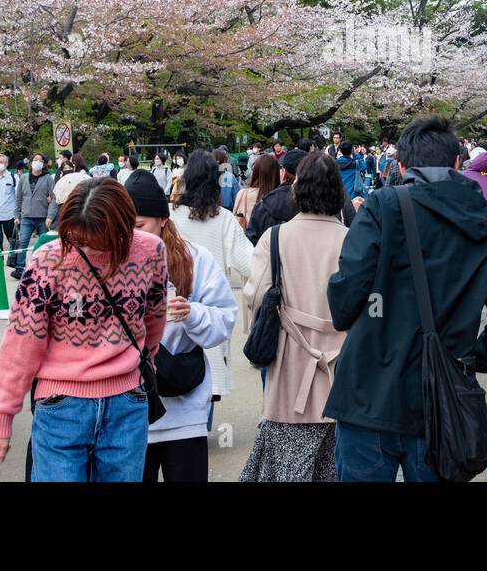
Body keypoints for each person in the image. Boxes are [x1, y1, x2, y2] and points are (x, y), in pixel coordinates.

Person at [324, 117, 487, 482]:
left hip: (368, 389)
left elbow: (346, 295)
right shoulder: (482, 222)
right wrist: (474, 359)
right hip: (442, 399)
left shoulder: (382, 207)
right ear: (457, 163)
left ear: (402, 166)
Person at [0, 178, 168, 482]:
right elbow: (21, 342)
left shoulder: (150, 251)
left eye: (98, 236)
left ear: (123, 223)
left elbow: (154, 317)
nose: (88, 244)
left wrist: (144, 360)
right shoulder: (48, 258)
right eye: (79, 235)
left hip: (127, 404)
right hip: (62, 405)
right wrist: (2, 418)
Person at [241, 151, 349, 481]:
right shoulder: (353, 240)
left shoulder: (276, 239)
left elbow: (255, 298)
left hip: (291, 368)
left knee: (288, 468)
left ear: (297, 189)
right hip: (343, 374)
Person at [127, 172, 236, 482]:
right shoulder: (112, 262)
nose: (132, 235)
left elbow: (225, 317)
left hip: (184, 407)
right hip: (131, 411)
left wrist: (192, 314)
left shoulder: (194, 259)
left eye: (139, 226)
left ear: (163, 219)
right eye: (125, 227)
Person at [169, 150, 254, 407]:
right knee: (209, 371)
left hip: (174, 306)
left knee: (174, 366)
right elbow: (248, 263)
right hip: (211, 305)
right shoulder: (224, 219)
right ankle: (201, 426)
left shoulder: (169, 217)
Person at [13, 153, 55, 279]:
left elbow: (53, 198)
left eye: (40, 160)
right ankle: (20, 268)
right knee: (23, 242)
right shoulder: (24, 178)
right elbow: (18, 198)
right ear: (30, 162)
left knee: (44, 243)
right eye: (35, 159)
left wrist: (50, 216)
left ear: (44, 164)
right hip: (26, 216)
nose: (37, 162)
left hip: (42, 216)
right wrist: (16, 215)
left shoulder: (48, 178)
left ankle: (44, 266)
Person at [234, 153, 279, 230]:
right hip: (272, 239)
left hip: (248, 238)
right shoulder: (281, 196)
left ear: (255, 171)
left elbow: (235, 216)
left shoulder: (242, 194)